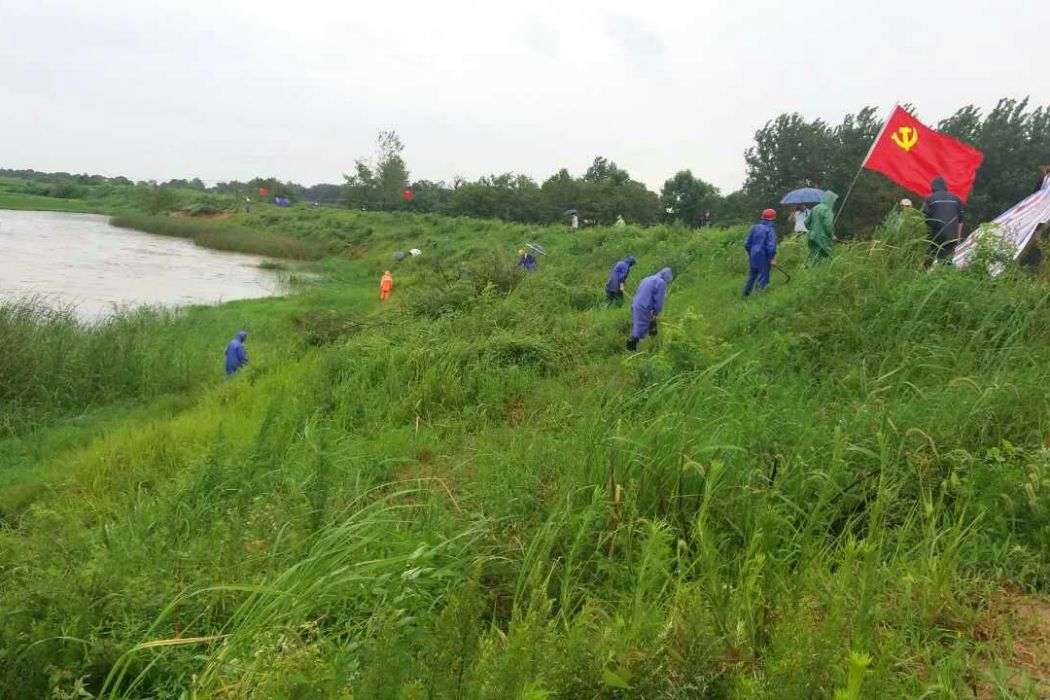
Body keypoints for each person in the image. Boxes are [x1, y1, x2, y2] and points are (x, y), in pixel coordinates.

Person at [627, 267, 673, 351]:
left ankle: (655, 344)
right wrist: (655, 312)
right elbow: (659, 301)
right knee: (638, 330)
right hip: (644, 307)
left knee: (650, 324)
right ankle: (630, 350)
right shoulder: (661, 283)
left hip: (635, 305)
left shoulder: (647, 278)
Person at [921, 176, 964, 261]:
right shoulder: (956, 199)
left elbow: (924, 219)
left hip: (935, 237)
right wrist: (958, 236)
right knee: (946, 261)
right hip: (952, 237)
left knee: (928, 260)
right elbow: (960, 220)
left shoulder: (930, 199)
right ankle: (947, 272)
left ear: (933, 187)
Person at [743, 209, 778, 298]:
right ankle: (757, 298)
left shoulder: (754, 227)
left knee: (752, 276)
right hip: (764, 257)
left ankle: (745, 296)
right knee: (763, 277)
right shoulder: (770, 230)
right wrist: (772, 258)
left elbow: (746, 244)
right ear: (773, 219)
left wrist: (750, 253)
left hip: (753, 256)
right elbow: (771, 247)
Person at [806, 190, 838, 262]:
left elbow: (806, 222)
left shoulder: (815, 208)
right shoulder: (827, 210)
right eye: (834, 201)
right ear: (830, 200)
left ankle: (811, 270)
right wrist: (832, 235)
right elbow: (828, 225)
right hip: (822, 238)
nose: (834, 203)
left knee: (813, 256)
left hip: (812, 236)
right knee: (825, 256)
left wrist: (812, 229)